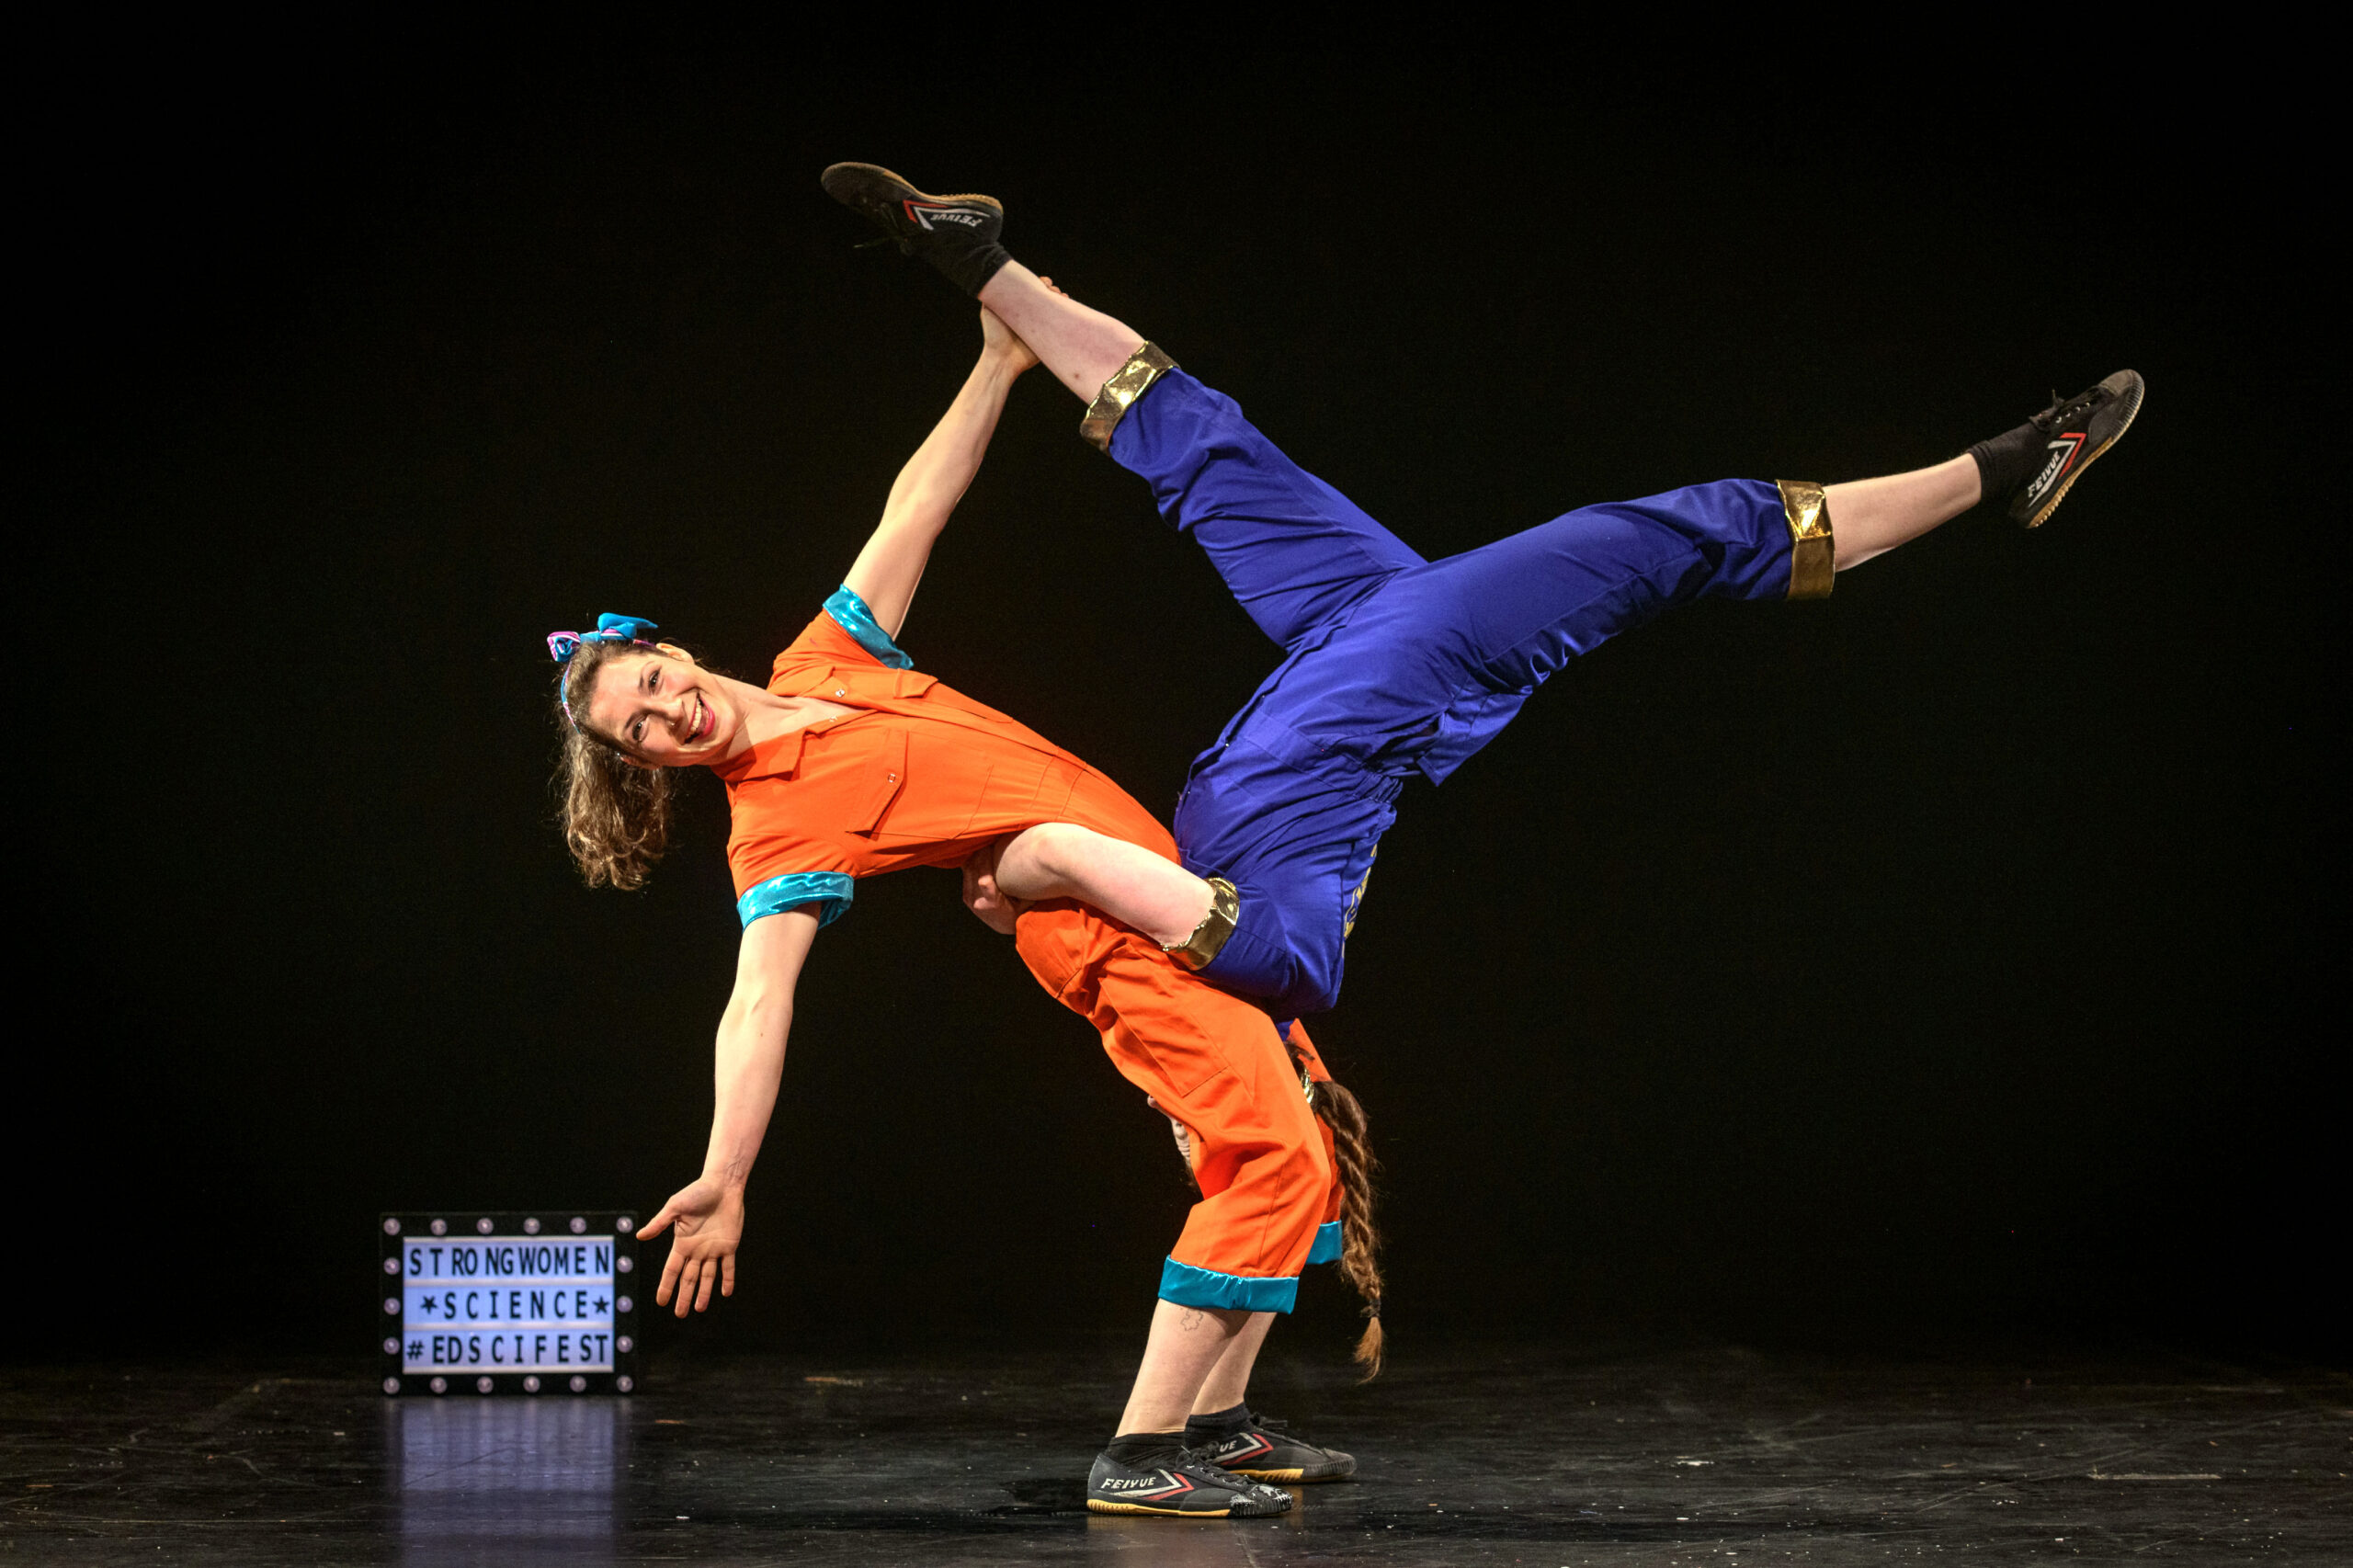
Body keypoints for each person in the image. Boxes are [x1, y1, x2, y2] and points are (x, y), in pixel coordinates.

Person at [822, 163, 2144, 1021]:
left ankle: (979, 261)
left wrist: (1000, 887)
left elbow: (1046, 854)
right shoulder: (1272, 960)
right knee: (1677, 534)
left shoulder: (1193, 934)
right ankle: (2003, 471)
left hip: (1347, 648)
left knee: (1208, 450)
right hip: (1402, 667)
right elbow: (1057, 863)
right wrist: (1024, 881)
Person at [549, 298, 1373, 1520]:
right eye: (642, 733)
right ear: (646, 764)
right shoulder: (773, 828)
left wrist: (998, 359)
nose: (670, 716)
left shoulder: (826, 657)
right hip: (1101, 931)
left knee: (1291, 1144)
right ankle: (1142, 1451)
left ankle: (1220, 1418)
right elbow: (757, 998)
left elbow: (915, 504)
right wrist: (726, 1173)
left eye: (656, 686)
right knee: (1263, 1149)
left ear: (673, 651)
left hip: (1171, 886)